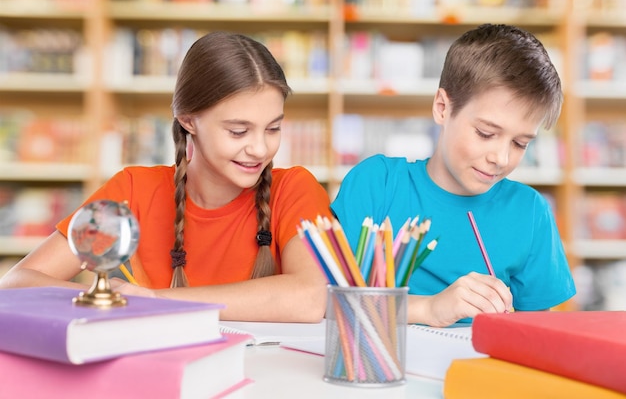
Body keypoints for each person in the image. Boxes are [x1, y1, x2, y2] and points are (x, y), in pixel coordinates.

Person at [0, 31, 332, 323]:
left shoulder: (294, 189)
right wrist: (109, 292)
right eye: (238, 131)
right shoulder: (134, 191)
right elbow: (18, 283)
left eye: (273, 128)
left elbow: (309, 298)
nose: (260, 149)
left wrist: (154, 302)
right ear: (188, 120)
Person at [331, 24, 576, 327]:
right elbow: (326, 302)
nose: (500, 158)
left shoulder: (530, 212)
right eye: (486, 133)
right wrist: (431, 309)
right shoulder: (377, 184)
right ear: (442, 107)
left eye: (520, 143)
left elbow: (537, 334)